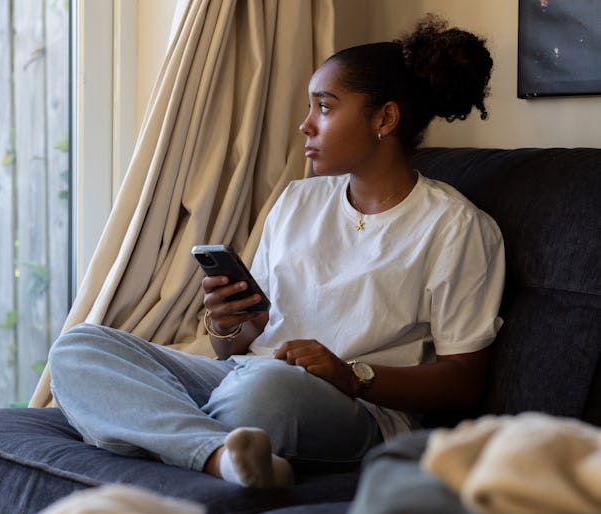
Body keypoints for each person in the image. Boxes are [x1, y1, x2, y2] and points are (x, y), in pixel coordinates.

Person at [49, 14, 504, 489]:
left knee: (261, 394)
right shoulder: (297, 200)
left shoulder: (457, 228)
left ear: (384, 119)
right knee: (79, 346)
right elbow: (244, 342)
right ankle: (220, 456)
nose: (305, 125)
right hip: (245, 374)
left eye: (324, 108)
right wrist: (225, 325)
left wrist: (352, 376)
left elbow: (463, 379)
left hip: (350, 407)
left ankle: (160, 428)